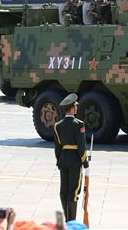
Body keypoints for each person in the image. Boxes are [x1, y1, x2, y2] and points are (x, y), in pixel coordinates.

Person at [53, 94, 89, 222]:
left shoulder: (58, 125)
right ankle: (71, 221)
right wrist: (85, 163)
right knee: (73, 192)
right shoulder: (79, 125)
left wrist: (59, 162)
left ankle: (67, 218)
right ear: (72, 108)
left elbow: (57, 147)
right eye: (75, 106)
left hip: (63, 160)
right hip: (75, 161)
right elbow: (81, 146)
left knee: (63, 191)